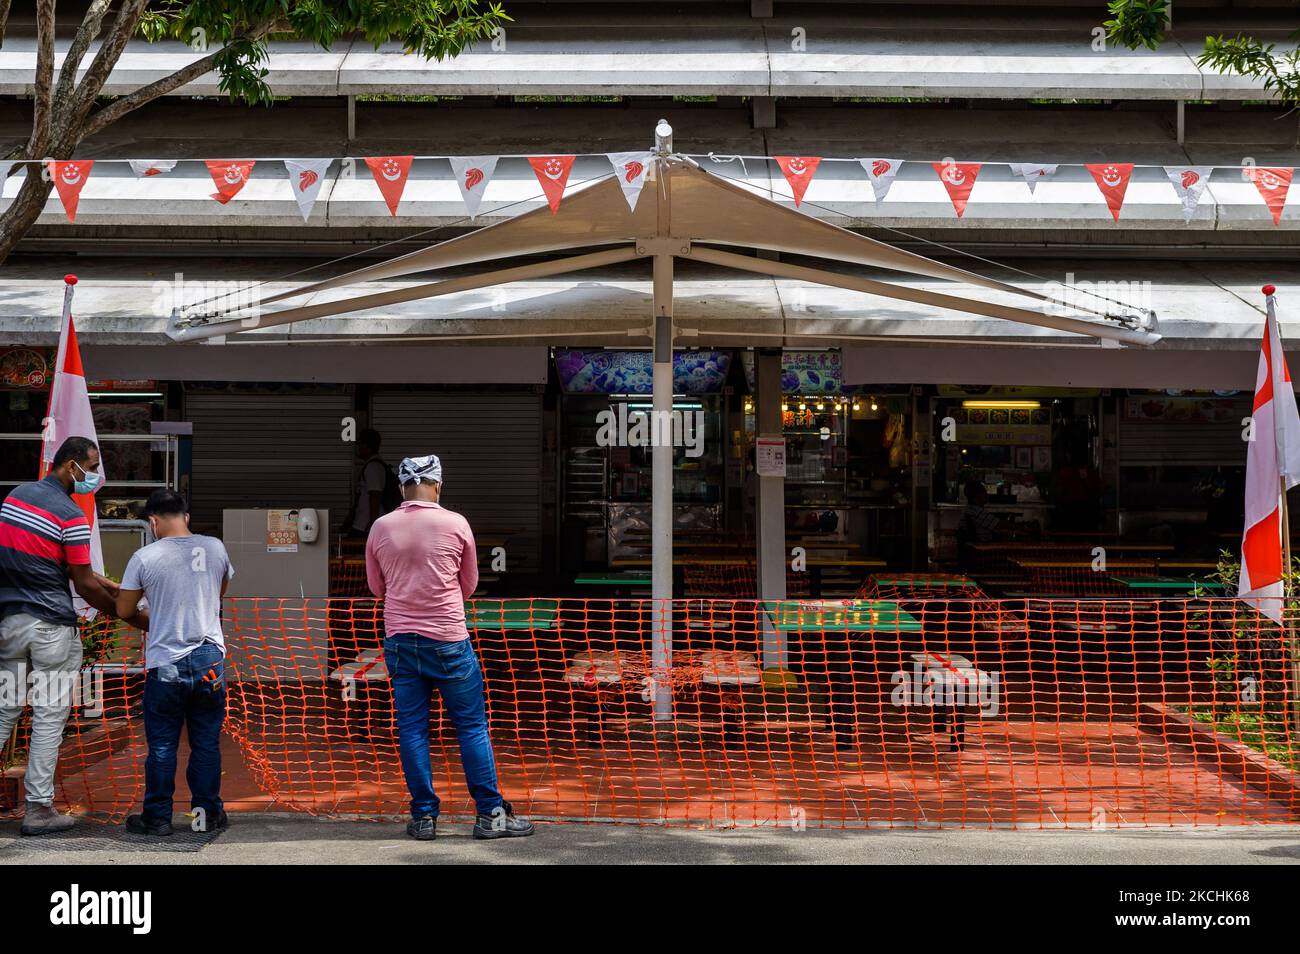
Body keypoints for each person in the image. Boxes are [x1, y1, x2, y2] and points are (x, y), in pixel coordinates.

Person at [365, 454, 533, 842]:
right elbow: (469, 584)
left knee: (412, 729)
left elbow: (377, 589)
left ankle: (424, 817)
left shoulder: (380, 527)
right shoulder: (456, 524)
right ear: (438, 486)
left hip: (401, 641)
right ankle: (490, 815)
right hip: (449, 639)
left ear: (401, 487)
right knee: (472, 726)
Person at [0, 436, 127, 835]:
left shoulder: (15, 499)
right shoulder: (70, 515)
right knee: (50, 717)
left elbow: (68, 569)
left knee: (4, 709)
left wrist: (99, 581)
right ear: (71, 464)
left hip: (10, 626)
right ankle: (38, 810)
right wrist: (125, 613)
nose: (92, 476)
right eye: (90, 467)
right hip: (51, 630)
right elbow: (84, 584)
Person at [115, 489, 234, 836]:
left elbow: (124, 610)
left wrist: (159, 617)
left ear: (152, 521)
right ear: (186, 517)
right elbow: (217, 594)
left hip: (166, 662)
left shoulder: (144, 557)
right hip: (210, 658)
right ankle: (205, 817)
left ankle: (158, 819)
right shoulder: (215, 548)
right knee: (206, 742)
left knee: (164, 745)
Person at [346, 428, 395, 537]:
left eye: (360, 444)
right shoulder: (372, 465)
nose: (358, 448)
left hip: (365, 526)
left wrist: (373, 523)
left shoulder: (373, 466)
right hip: (364, 525)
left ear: (367, 447)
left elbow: (375, 495)